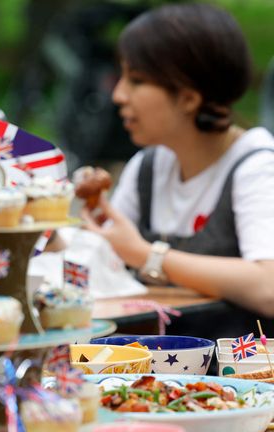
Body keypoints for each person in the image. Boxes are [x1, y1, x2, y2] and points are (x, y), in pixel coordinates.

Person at [82, 3, 274, 334]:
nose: (118, 95)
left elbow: (268, 288)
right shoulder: (148, 167)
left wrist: (147, 255)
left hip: (236, 380)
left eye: (137, 80)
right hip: (146, 377)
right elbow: (98, 261)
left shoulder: (257, 165)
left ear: (188, 98)